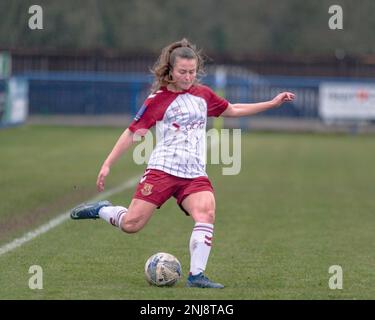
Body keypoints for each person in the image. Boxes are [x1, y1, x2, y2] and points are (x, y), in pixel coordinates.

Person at [70, 38, 295, 289]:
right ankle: (102, 209)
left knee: (206, 211)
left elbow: (232, 109)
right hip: (162, 171)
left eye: (192, 72)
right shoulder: (157, 100)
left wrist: (272, 103)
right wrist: (107, 163)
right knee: (131, 225)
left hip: (194, 173)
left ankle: (197, 276)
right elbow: (132, 132)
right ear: (171, 70)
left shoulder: (203, 95)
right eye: (182, 72)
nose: (188, 77)